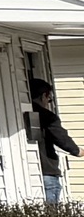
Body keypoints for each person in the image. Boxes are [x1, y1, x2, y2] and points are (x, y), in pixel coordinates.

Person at [33, 76, 77, 206]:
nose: (48, 102)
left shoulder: (20, 113)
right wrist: (77, 151)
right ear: (43, 96)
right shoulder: (47, 116)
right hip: (47, 171)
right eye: (49, 99)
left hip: (32, 172)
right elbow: (61, 137)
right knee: (51, 215)